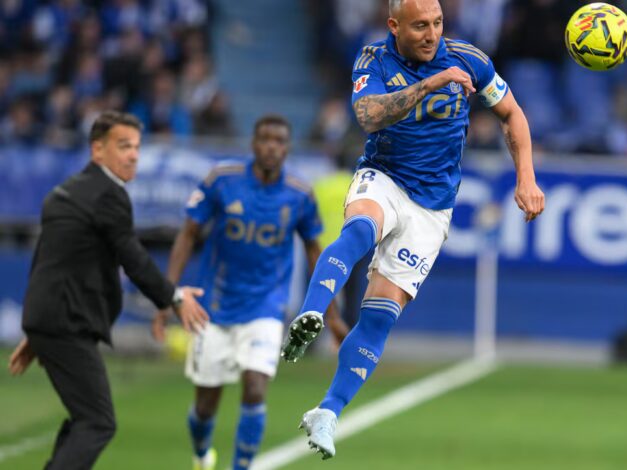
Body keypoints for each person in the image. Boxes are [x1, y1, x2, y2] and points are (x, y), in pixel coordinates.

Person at [280, 0, 545, 459]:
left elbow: (512, 113)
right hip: (384, 176)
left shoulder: (469, 59)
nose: (431, 34)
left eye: (437, 23)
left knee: (380, 315)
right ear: (394, 25)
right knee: (360, 229)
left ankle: (327, 411)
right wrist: (431, 84)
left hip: (432, 207)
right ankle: (311, 314)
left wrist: (527, 177)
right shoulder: (374, 59)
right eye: (420, 25)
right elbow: (368, 116)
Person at [7, 110, 209, 470]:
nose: (133, 155)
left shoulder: (64, 192)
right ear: (97, 149)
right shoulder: (108, 195)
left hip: (52, 320)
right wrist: (175, 298)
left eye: (136, 147)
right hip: (68, 323)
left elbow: (46, 262)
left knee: (85, 417)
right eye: (123, 146)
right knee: (97, 422)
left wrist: (38, 329)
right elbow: (133, 257)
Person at [150, 115, 349, 470]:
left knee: (255, 388)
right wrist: (168, 295)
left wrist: (331, 316)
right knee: (205, 406)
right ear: (253, 144)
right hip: (214, 305)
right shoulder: (222, 180)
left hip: (266, 305)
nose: (272, 147)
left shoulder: (299, 194)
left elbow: (314, 252)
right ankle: (201, 455)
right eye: (265, 139)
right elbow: (188, 233)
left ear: (287, 148)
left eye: (279, 141)